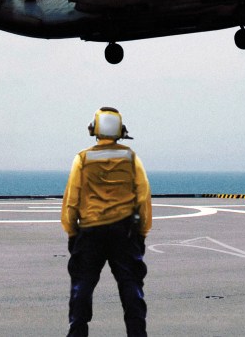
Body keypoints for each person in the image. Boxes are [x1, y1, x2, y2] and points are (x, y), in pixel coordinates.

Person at [61, 107, 152, 337]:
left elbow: (72, 199)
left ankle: (77, 333)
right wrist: (142, 233)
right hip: (125, 233)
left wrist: (72, 232)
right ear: (121, 131)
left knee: (82, 288)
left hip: (90, 232)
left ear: (94, 129)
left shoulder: (82, 159)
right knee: (131, 287)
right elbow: (143, 197)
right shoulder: (132, 159)